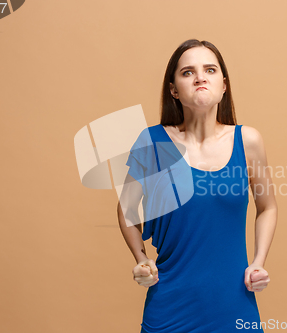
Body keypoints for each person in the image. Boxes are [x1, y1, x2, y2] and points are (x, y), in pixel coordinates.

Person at [117, 39, 277, 333]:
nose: (200, 77)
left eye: (210, 69)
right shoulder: (152, 142)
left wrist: (258, 262)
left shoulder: (248, 141)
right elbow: (126, 209)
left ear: (224, 85)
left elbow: (267, 207)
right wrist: (141, 260)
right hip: (170, 308)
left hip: (234, 307)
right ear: (174, 90)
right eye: (188, 72)